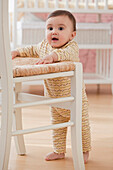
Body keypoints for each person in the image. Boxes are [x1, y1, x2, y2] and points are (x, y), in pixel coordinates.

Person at [12, 10, 91, 163]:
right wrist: (17, 51)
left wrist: (52, 57)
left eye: (61, 28)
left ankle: (84, 150)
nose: (54, 32)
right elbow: (32, 49)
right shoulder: (43, 46)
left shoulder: (72, 47)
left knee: (82, 127)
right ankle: (59, 151)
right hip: (54, 99)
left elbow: (65, 54)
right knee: (57, 126)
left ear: (72, 35)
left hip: (75, 99)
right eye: (50, 28)